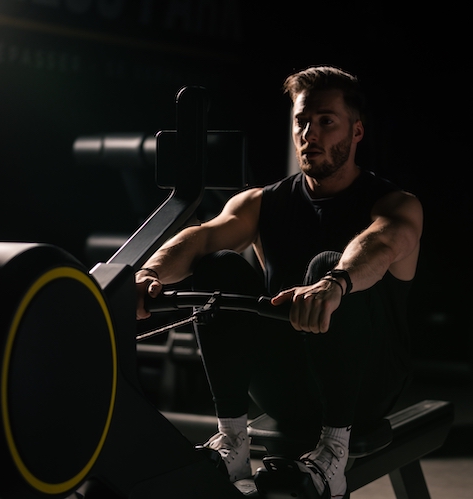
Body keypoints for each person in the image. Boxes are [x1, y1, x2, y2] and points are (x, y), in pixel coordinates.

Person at [135, 66, 423, 499]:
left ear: (357, 131)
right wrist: (146, 273)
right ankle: (232, 441)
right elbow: (203, 237)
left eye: (327, 121)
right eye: (301, 121)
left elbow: (381, 244)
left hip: (366, 389)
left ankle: (334, 454)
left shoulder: (396, 205)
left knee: (327, 263)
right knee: (217, 265)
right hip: (284, 387)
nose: (310, 133)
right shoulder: (261, 202)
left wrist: (335, 282)